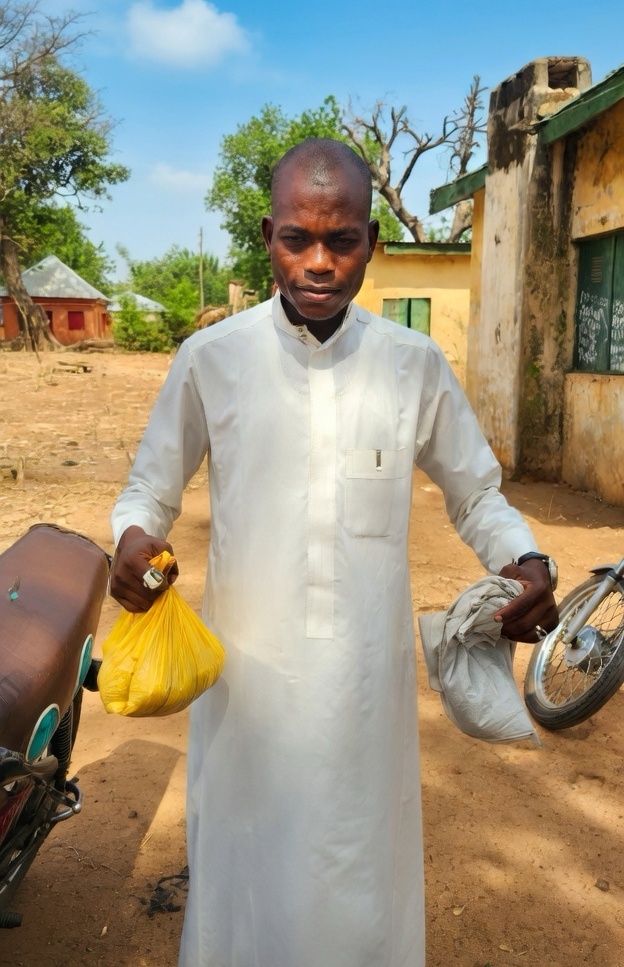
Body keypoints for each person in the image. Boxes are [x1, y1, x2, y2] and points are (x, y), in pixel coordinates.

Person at [109, 138, 558, 967]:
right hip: (246, 689)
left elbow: (476, 493)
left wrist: (527, 559)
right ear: (268, 237)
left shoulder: (412, 365)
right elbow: (148, 491)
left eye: (342, 240)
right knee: (245, 882)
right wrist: (133, 538)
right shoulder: (212, 360)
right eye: (297, 239)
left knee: (359, 888)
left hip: (364, 696)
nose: (319, 262)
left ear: (372, 242)